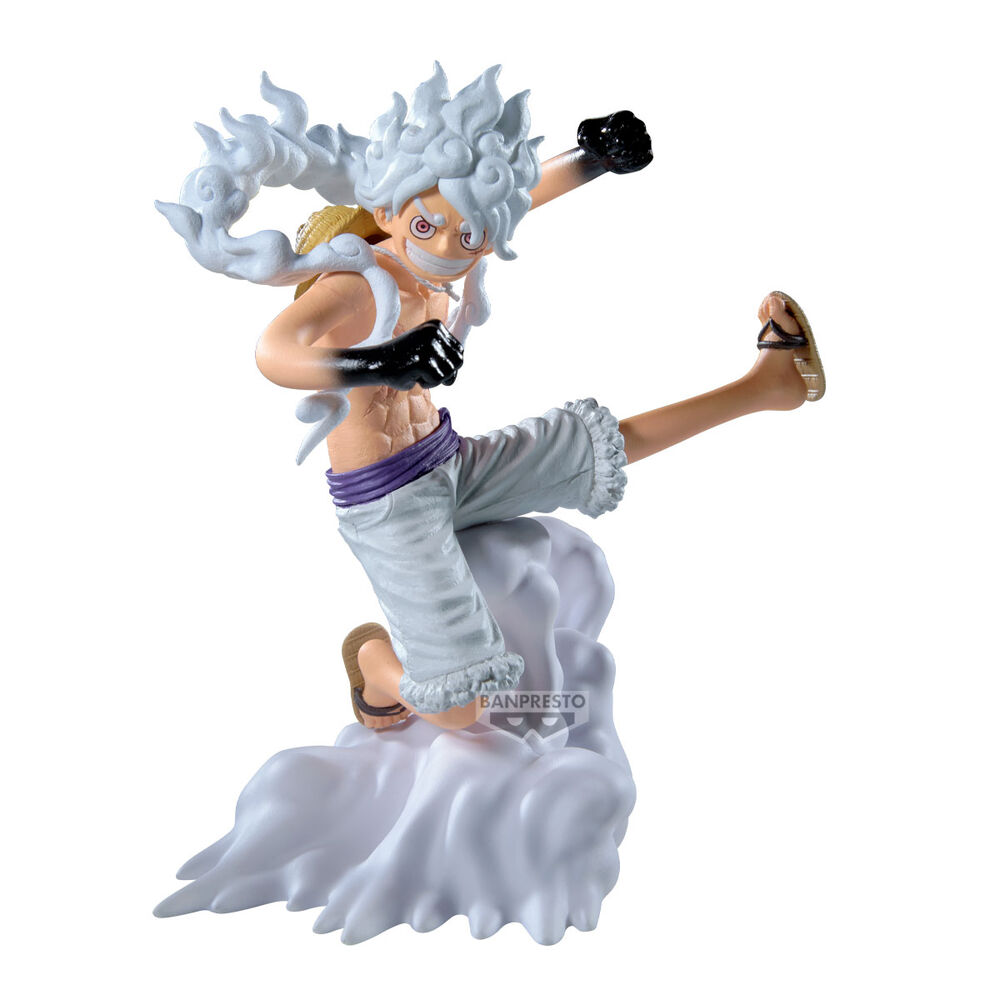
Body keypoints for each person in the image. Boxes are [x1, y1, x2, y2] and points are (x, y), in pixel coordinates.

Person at [160, 65, 824, 732]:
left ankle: (766, 386)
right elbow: (274, 352)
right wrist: (380, 361)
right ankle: (374, 665)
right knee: (462, 709)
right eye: (427, 227)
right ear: (388, 211)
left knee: (595, 446)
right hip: (388, 506)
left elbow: (514, 197)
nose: (448, 247)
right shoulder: (357, 279)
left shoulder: (448, 248)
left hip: (450, 461)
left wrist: (592, 158)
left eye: (470, 234)